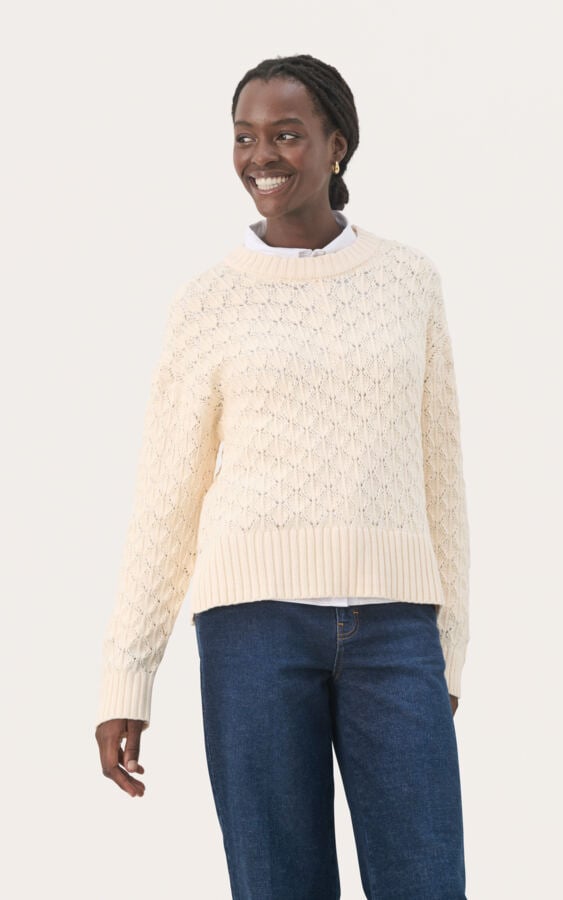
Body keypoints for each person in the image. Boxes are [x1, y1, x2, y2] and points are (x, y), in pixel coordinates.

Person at [95, 53, 471, 900]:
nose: (261, 156)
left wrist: (449, 646)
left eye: (287, 135)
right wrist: (128, 673)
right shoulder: (208, 300)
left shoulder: (409, 281)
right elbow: (166, 496)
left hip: (396, 629)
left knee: (427, 881)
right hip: (252, 631)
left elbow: (441, 473)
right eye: (245, 137)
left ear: (338, 146)